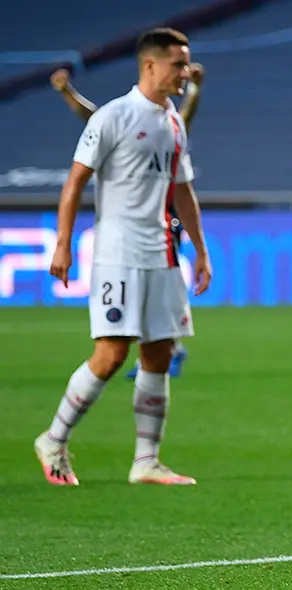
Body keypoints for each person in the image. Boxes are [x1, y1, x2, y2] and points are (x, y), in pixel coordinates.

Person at [35, 27, 212, 487]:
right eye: (178, 65)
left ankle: (146, 461)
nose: (185, 73)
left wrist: (201, 249)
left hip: (164, 251)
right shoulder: (114, 116)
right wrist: (63, 242)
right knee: (112, 354)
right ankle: (54, 438)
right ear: (151, 65)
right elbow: (75, 182)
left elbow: (182, 189)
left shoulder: (173, 120)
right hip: (118, 252)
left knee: (159, 353)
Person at [50, 62, 206, 379]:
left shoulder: (170, 125)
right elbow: (94, 119)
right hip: (132, 231)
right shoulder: (121, 122)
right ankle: (160, 350)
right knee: (130, 316)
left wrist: (195, 90)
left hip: (163, 224)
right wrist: (68, 93)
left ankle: (169, 349)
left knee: (159, 290)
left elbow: (185, 118)